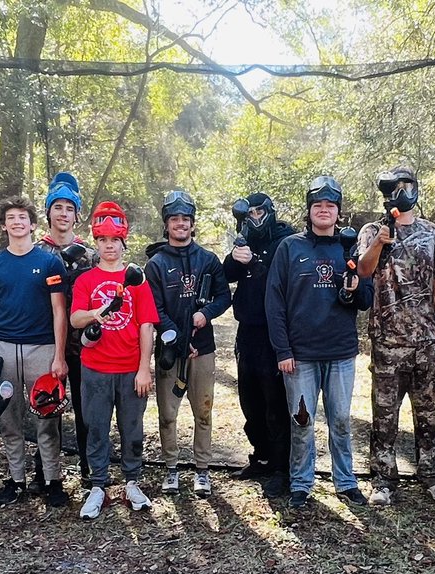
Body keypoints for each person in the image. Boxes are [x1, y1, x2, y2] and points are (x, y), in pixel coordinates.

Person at [266, 176, 373, 508]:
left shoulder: (349, 248)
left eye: (330, 206)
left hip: (340, 352)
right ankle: (301, 483)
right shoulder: (290, 247)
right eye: (318, 206)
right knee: (302, 422)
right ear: (309, 211)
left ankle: (345, 481)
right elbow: (274, 302)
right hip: (300, 356)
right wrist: (283, 350)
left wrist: (354, 289)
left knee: (340, 419)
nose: (324, 211)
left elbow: (366, 299)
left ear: (338, 212)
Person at [355, 165, 435, 505]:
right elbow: (364, 272)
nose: (401, 191)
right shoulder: (373, 230)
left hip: (427, 338)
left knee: (429, 412)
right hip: (387, 340)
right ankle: (383, 481)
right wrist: (380, 242)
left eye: (406, 184)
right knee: (384, 415)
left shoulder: (431, 232)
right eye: (394, 187)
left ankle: (432, 476)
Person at [0, 195, 70, 507]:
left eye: (22, 217)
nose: (17, 222)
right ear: (4, 225)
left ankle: (52, 480)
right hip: (3, 349)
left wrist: (59, 356)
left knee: (48, 416)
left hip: (42, 348)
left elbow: (59, 311)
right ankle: (16, 480)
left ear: (32, 224)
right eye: (11, 218)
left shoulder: (49, 263)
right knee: (9, 419)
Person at [71, 201, 159, 519]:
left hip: (129, 367)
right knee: (95, 427)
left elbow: (147, 325)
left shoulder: (137, 278)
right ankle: (98, 486)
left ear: (124, 243)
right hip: (95, 367)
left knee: (132, 428)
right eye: (103, 241)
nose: (109, 247)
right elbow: (75, 319)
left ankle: (133, 482)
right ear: (96, 243)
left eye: (115, 241)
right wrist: (97, 312)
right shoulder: (85, 281)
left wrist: (143, 368)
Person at [143, 190, 231, 498]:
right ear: (166, 225)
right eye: (174, 219)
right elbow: (153, 309)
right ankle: (171, 468)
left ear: (193, 224)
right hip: (170, 350)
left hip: (202, 350)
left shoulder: (208, 259)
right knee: (167, 414)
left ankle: (202, 471)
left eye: (185, 219)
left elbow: (224, 297)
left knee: (203, 411)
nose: (180, 224)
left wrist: (204, 315)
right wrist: (178, 337)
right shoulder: (155, 264)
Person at [224, 192, 296, 486]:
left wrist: (253, 263)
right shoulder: (244, 239)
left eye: (259, 212)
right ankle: (261, 457)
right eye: (249, 213)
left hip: (275, 332)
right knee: (249, 400)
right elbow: (225, 275)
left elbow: (281, 283)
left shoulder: (285, 240)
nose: (255, 218)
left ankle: (281, 466)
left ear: (270, 211)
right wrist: (234, 258)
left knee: (275, 401)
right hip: (247, 331)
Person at [34, 172, 95, 485]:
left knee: (87, 409)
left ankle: (90, 469)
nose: (63, 213)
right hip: (47, 344)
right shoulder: (35, 253)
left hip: (85, 346)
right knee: (47, 404)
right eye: (57, 207)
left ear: (76, 215)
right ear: (48, 213)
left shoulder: (91, 255)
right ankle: (45, 472)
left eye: (69, 208)